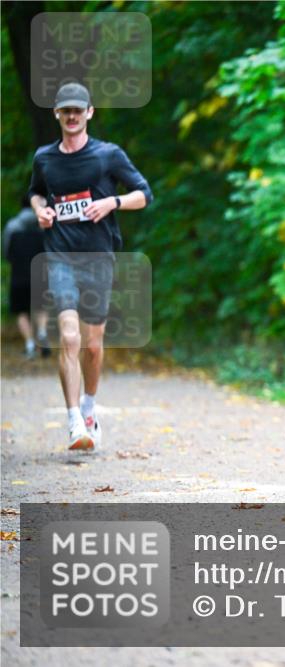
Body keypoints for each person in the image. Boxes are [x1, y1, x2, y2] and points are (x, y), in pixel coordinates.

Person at [27, 82, 153, 451]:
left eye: (77, 111)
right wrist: (41, 210)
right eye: (65, 110)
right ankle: (72, 423)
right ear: (56, 113)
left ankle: (89, 408)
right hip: (60, 255)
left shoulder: (108, 155)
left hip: (98, 256)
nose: (71, 116)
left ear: (89, 113)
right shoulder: (44, 158)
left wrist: (112, 202)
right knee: (69, 336)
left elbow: (144, 194)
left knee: (93, 346)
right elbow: (35, 191)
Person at [3, 202, 50, 359]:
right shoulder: (44, 224)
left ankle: (30, 344)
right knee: (41, 307)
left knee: (21, 312)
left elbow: (7, 253)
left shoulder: (12, 227)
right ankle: (42, 333)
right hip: (40, 275)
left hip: (19, 275)